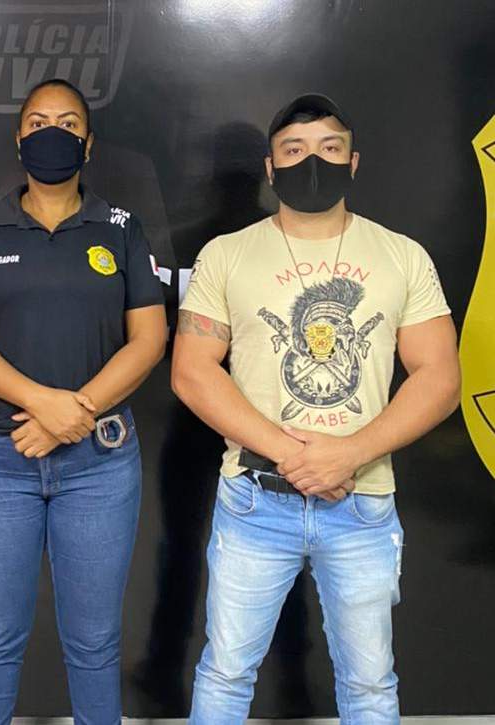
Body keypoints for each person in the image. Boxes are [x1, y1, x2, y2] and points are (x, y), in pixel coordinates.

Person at [173, 93, 461, 723]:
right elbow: (192, 373)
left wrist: (350, 453)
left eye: (330, 148)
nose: (313, 161)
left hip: (362, 503)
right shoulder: (226, 254)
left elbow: (440, 378)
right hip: (254, 500)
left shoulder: (402, 255)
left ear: (353, 162)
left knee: (370, 685)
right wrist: (294, 455)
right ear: (270, 168)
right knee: (225, 673)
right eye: (294, 149)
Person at [0, 78, 167, 724]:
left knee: (95, 642)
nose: (52, 134)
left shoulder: (121, 228)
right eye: (38, 122)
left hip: (99, 462)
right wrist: (44, 404)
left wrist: (78, 411)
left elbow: (149, 339)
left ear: (88, 144)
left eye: (68, 124)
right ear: (19, 138)